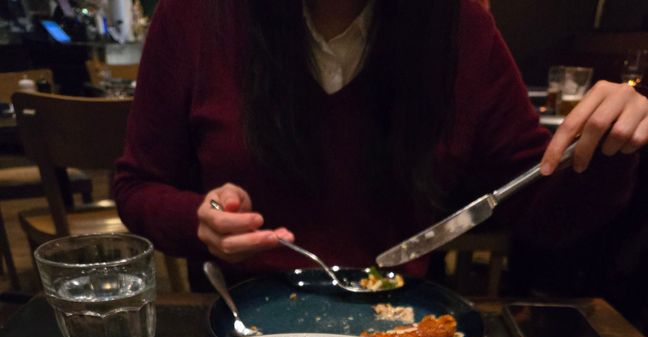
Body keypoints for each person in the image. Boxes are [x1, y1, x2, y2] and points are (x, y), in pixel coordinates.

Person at [114, 0, 648, 289]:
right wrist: (198, 219)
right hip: (240, 310)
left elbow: (543, 213)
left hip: (403, 319)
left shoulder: (460, 26)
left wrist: (606, 149)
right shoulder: (193, 15)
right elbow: (137, 186)